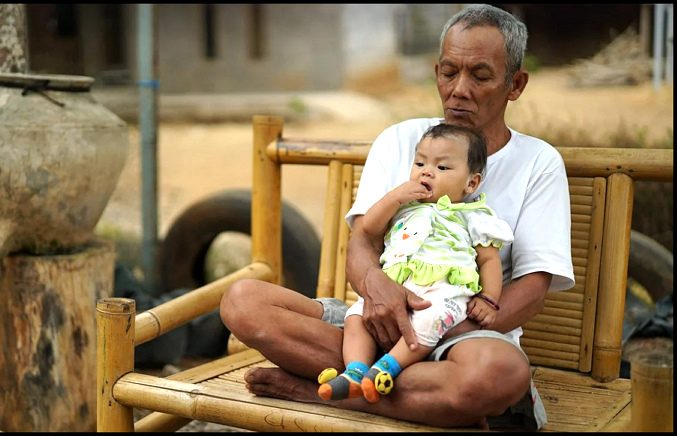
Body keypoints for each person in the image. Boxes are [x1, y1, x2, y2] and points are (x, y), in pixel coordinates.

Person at [220, 4, 574, 430]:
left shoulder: (539, 162)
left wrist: (438, 332)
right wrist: (379, 292)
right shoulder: (401, 140)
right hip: (372, 317)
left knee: (500, 375)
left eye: (479, 76)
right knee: (242, 302)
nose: (459, 89)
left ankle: (316, 392)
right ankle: (422, 395)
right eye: (448, 72)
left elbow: (534, 287)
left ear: (515, 84)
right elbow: (363, 242)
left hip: (461, 332)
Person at [317, 123, 514, 404]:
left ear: (471, 183)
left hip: (444, 288)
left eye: (443, 168)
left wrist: (490, 299)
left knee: (431, 319)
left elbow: (489, 260)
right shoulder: (403, 207)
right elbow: (370, 228)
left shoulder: (474, 215)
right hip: (395, 283)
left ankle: (387, 368)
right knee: (356, 316)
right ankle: (355, 372)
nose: (426, 171)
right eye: (420, 162)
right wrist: (393, 198)